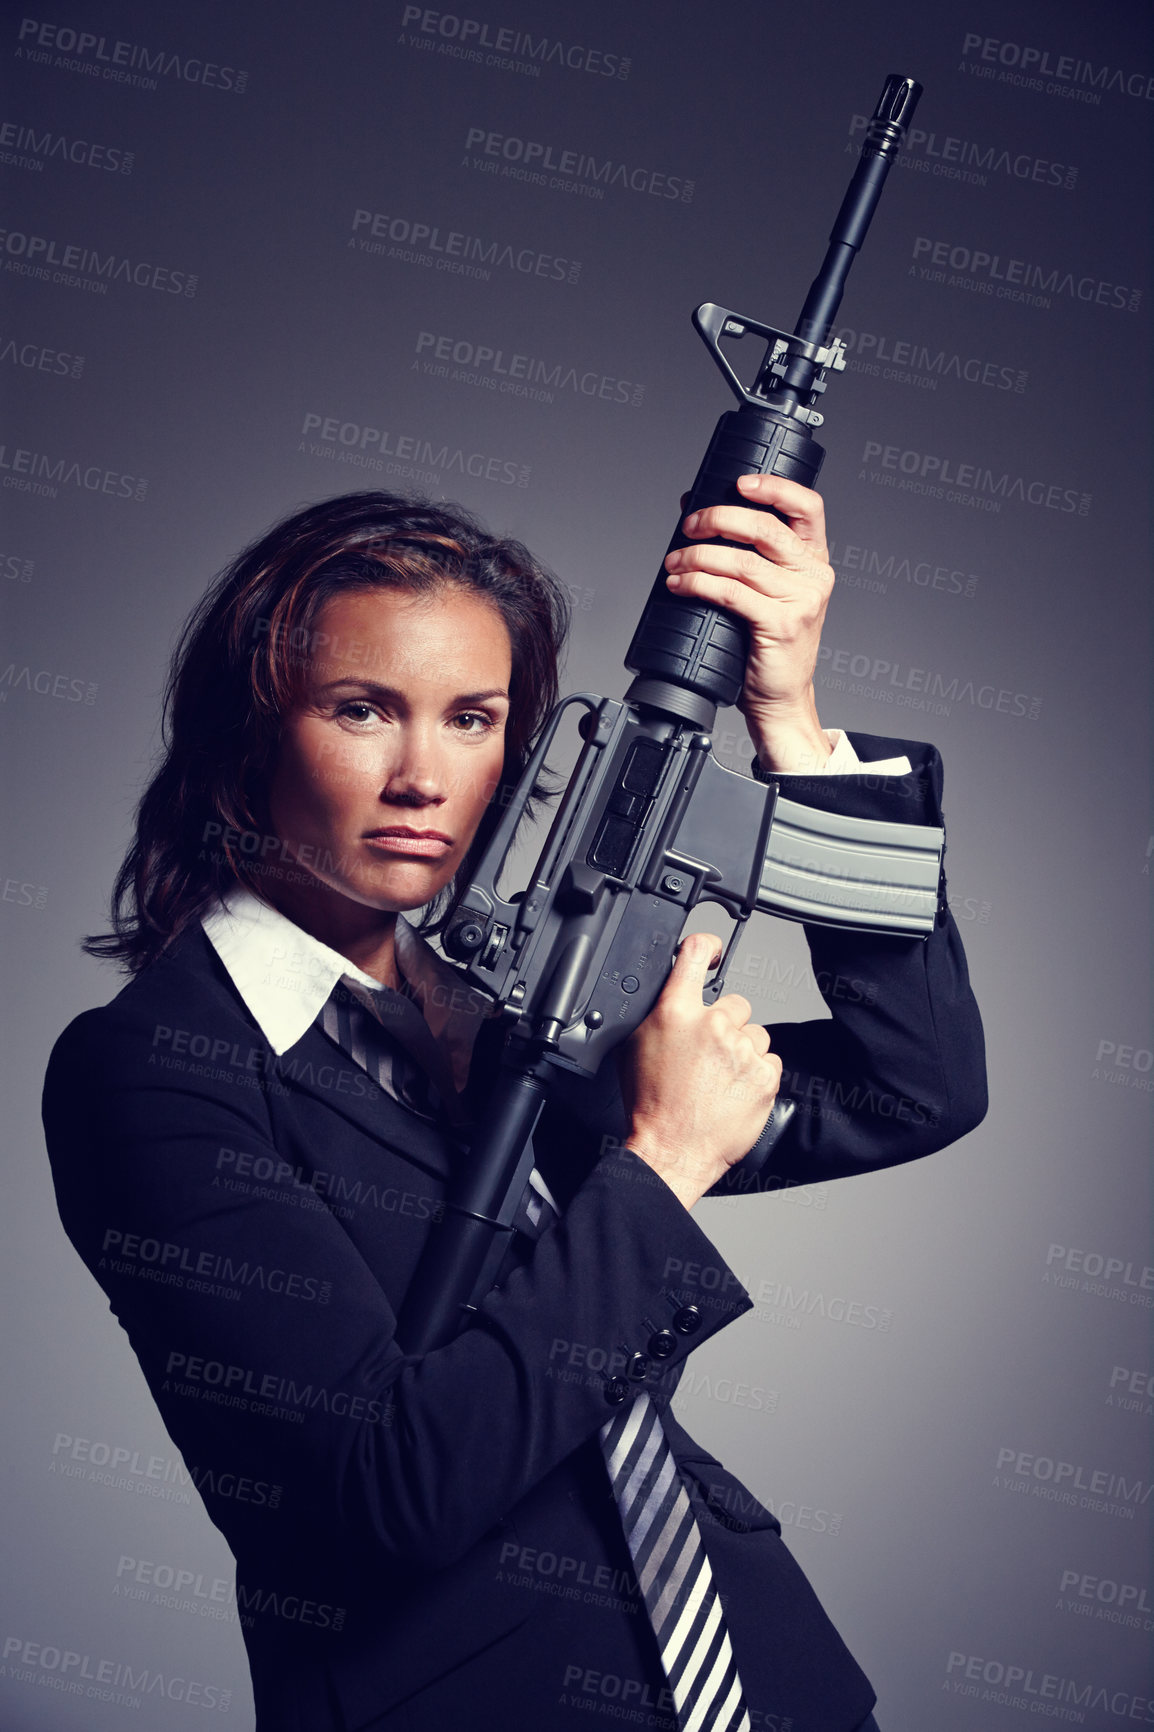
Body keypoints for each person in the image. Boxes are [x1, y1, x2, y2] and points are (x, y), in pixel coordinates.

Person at [43, 478, 985, 1732]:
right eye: (361, 709)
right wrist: (655, 1171)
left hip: (769, 1684)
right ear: (249, 734)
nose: (422, 775)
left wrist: (790, 722)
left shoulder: (508, 1017)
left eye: (472, 717)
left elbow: (912, 1082)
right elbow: (392, 1485)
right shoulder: (152, 1072)